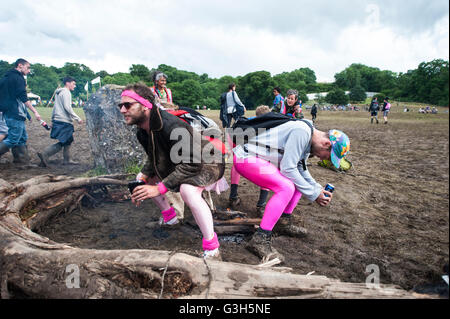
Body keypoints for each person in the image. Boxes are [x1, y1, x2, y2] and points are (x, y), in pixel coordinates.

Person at [119, 83, 227, 260]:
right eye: (120, 106)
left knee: (188, 190)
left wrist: (160, 188)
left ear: (145, 104)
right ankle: (171, 219)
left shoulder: (171, 125)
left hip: (208, 161)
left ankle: (212, 248)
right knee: (142, 178)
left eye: (128, 105)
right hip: (184, 161)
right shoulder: (142, 131)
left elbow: (193, 164)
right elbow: (154, 158)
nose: (122, 110)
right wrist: (143, 179)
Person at [229, 113, 350, 262]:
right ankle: (260, 238)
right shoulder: (302, 132)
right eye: (328, 156)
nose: (323, 159)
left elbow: (300, 168)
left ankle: (283, 221)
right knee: (286, 187)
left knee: (297, 184)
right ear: (326, 144)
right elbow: (288, 169)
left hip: (259, 160)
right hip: (246, 159)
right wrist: (313, 194)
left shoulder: (308, 136)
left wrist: (317, 188)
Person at [227, 105, 271, 216]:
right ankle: (261, 205)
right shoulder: (267, 125)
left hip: (233, 134)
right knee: (266, 167)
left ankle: (233, 197)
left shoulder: (249, 121)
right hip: (241, 137)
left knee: (237, 162)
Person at [0, 58, 42, 163]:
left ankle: (22, 161)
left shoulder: (5, 78)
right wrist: (35, 111)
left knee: (22, 137)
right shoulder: (18, 78)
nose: (28, 71)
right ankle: (21, 160)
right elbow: (23, 98)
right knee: (13, 138)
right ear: (20, 65)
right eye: (27, 68)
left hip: (8, 112)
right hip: (15, 112)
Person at [37, 76, 83, 167]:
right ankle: (45, 154)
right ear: (67, 83)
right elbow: (67, 107)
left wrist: (53, 120)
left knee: (68, 140)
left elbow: (55, 108)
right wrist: (77, 118)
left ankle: (67, 159)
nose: (75, 86)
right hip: (64, 121)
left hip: (58, 120)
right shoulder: (66, 92)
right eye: (73, 84)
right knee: (64, 141)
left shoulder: (59, 93)